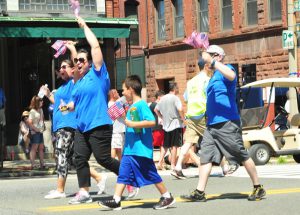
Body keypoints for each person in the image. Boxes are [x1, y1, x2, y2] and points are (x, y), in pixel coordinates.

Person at [181, 45, 266, 202]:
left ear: (218, 56)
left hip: (226, 123)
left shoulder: (226, 69)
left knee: (240, 154)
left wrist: (212, 62)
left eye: (210, 55)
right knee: (205, 157)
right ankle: (200, 192)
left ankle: (258, 187)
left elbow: (232, 76)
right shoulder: (212, 76)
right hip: (211, 125)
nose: (205, 59)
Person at [62, 17, 120, 204]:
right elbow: (74, 104)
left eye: (81, 60)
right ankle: (84, 193)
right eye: (76, 61)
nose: (78, 62)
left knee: (104, 159)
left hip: (99, 124)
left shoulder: (98, 74)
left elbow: (95, 47)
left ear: (89, 63)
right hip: (82, 127)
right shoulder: (78, 83)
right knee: (79, 158)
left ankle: (129, 178)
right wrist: (65, 107)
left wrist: (84, 26)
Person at [98, 75, 175, 210]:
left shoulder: (141, 104)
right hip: (129, 149)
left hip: (140, 149)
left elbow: (151, 121)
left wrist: (132, 124)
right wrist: (123, 117)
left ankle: (167, 196)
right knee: (123, 173)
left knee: (151, 173)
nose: (122, 92)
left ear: (131, 89)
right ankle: (116, 200)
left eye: (124, 89)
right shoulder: (132, 106)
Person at [43, 58, 107, 199]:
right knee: (72, 160)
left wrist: (71, 50)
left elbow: (76, 77)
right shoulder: (63, 86)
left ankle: (60, 190)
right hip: (60, 126)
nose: (61, 70)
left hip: (67, 126)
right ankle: (98, 177)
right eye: (60, 67)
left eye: (64, 67)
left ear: (73, 69)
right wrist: (48, 94)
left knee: (61, 156)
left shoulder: (75, 82)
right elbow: (60, 104)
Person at [154, 82, 185, 171]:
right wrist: (183, 120)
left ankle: (159, 162)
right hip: (176, 123)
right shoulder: (175, 98)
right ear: (175, 89)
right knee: (175, 145)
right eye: (178, 88)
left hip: (166, 124)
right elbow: (180, 109)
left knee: (165, 145)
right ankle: (173, 165)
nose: (178, 89)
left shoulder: (163, 98)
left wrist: (162, 117)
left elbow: (156, 109)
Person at [27, 96, 45, 170]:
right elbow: (30, 122)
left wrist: (42, 126)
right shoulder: (32, 111)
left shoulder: (41, 110)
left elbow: (42, 119)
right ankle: (33, 165)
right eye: (41, 101)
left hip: (40, 131)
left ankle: (42, 164)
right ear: (37, 102)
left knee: (41, 147)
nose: (42, 102)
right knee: (34, 147)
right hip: (35, 132)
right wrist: (36, 129)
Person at [149, 90, 165, 170]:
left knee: (162, 145)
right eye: (163, 97)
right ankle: (157, 163)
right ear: (159, 97)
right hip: (156, 128)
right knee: (160, 145)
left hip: (158, 128)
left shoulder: (153, 105)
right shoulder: (154, 105)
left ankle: (160, 163)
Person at [108, 89, 125, 161]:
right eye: (117, 92)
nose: (118, 93)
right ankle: (112, 163)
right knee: (115, 147)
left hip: (117, 128)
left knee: (118, 148)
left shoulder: (111, 103)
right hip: (117, 129)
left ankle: (121, 163)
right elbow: (123, 114)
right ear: (113, 94)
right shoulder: (115, 103)